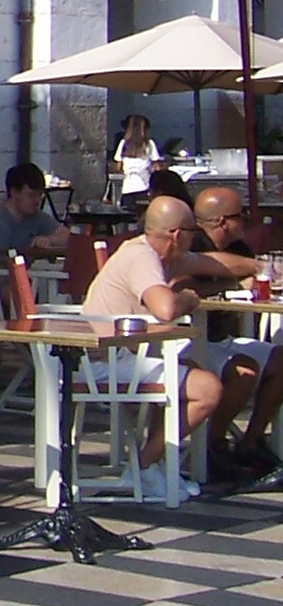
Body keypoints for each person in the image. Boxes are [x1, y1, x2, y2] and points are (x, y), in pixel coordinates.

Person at [82, 195, 220, 501]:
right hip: (104, 361)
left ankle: (153, 464)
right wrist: (188, 298)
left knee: (188, 372)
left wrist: (254, 267)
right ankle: (142, 466)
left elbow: (210, 262)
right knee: (208, 390)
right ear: (177, 234)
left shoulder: (147, 252)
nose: (194, 239)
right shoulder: (142, 256)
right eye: (192, 233)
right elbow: (166, 309)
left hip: (119, 354)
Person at [169, 186, 283, 488]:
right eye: (240, 215)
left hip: (220, 339)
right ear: (222, 221)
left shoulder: (240, 249)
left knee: (280, 359)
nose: (246, 220)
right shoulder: (190, 243)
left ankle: (251, 441)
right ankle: (212, 446)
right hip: (186, 339)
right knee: (244, 369)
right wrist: (233, 284)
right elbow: (180, 287)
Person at [0, 163, 72, 266]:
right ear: (14, 193)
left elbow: (68, 237)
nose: (37, 201)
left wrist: (49, 240)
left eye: (40, 195)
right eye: (31, 195)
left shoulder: (36, 216)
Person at [114, 113, 160, 208]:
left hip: (127, 188)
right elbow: (157, 166)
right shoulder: (149, 144)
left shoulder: (123, 143)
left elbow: (118, 166)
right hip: (144, 186)